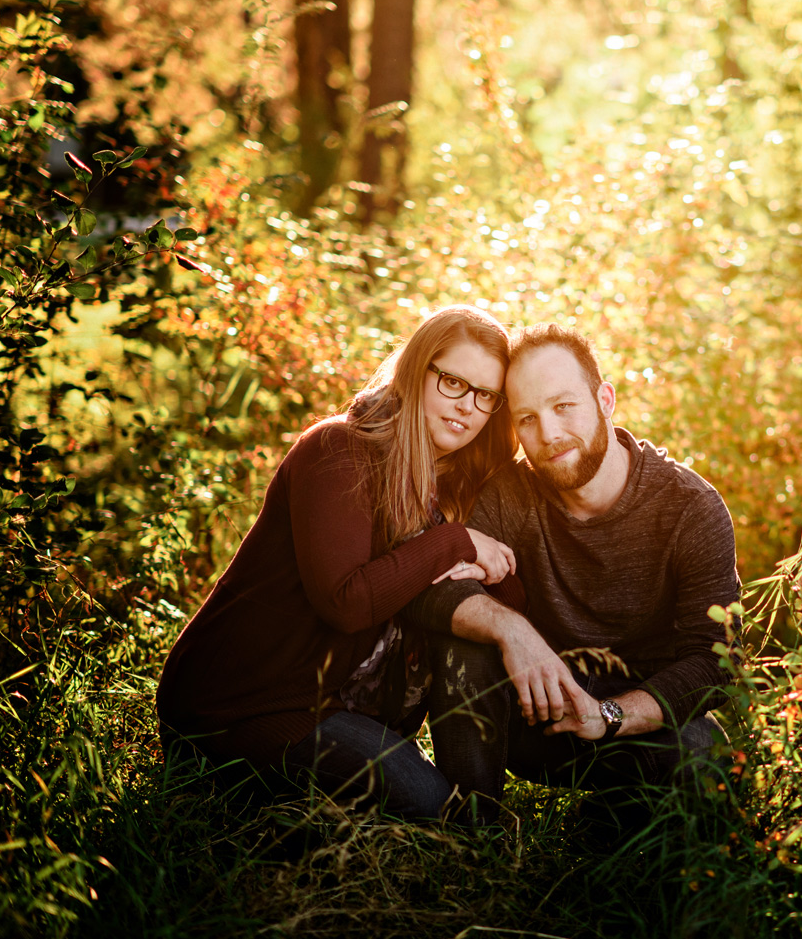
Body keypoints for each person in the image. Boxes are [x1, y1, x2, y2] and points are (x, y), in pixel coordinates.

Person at [156, 304, 522, 820]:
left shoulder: (457, 481)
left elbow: (510, 600)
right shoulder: (339, 449)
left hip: (340, 705)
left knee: (443, 796)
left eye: (486, 395)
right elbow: (345, 602)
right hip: (245, 706)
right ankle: (465, 826)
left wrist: (491, 572)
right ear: (418, 372)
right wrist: (455, 543)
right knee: (425, 802)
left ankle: (480, 820)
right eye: (453, 383)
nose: (467, 406)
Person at [403, 323, 742, 825]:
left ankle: (602, 829)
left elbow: (717, 661)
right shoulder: (511, 494)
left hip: (634, 727)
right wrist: (510, 629)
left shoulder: (690, 508)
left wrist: (610, 717)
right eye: (528, 419)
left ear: (605, 399)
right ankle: (472, 833)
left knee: (706, 757)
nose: (549, 435)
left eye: (564, 406)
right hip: (533, 717)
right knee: (464, 636)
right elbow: (434, 591)